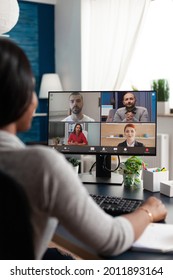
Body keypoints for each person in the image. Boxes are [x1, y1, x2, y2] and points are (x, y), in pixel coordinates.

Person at [0, 38, 167, 260]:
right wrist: (148, 211)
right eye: (30, 88)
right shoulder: (42, 166)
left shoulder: (91, 122)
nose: (35, 101)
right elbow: (111, 239)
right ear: (16, 95)